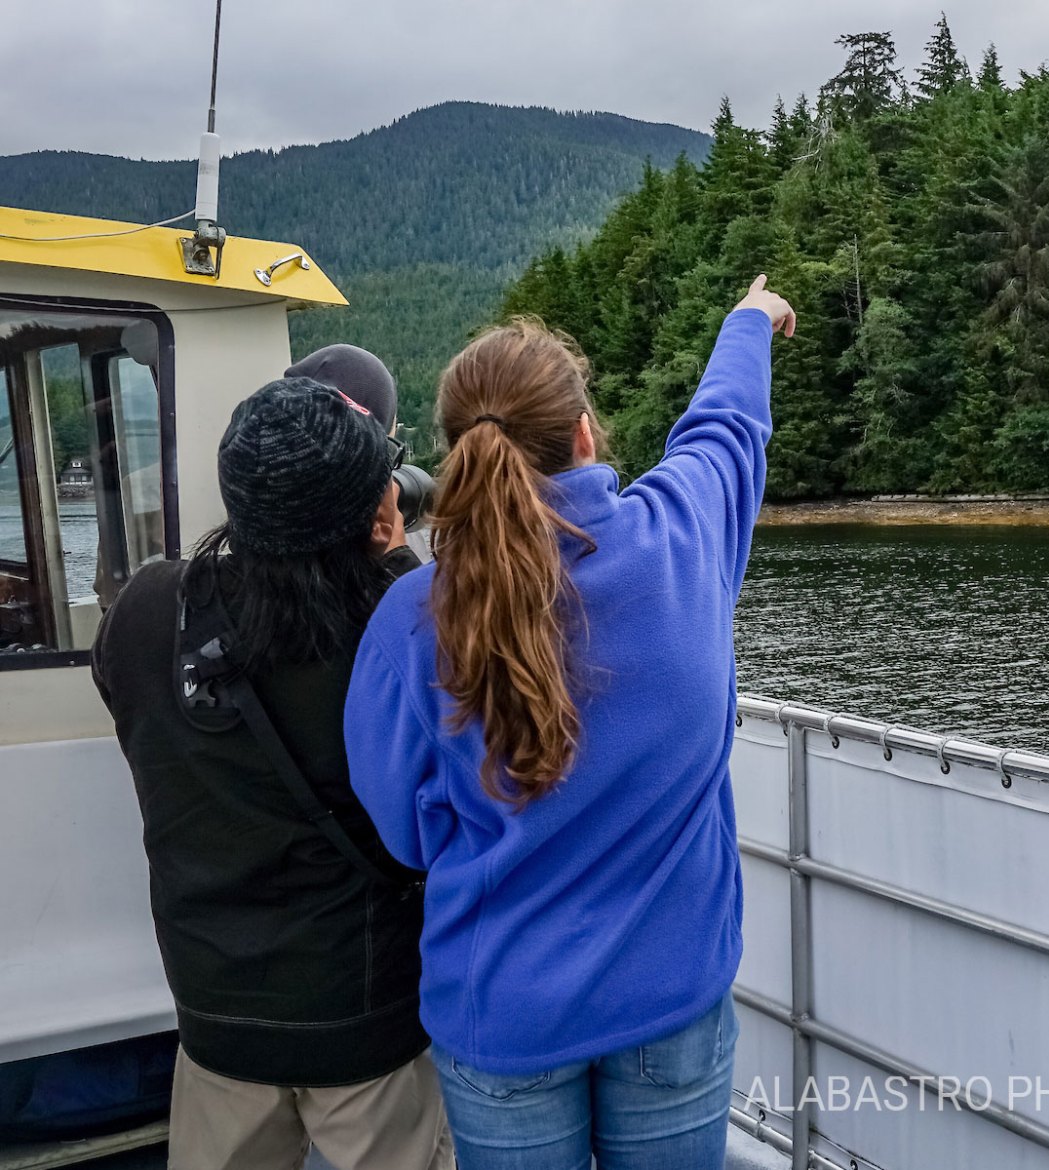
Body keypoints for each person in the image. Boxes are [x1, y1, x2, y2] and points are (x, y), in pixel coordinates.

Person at [344, 275, 796, 1169]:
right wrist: (750, 323)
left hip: (503, 1014)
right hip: (672, 1000)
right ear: (584, 434)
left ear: (456, 455)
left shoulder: (410, 621)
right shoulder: (683, 541)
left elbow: (404, 832)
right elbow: (725, 425)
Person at [91, 376, 452, 1170]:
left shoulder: (150, 613)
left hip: (216, 1010)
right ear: (370, 515)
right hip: (366, 1014)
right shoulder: (395, 627)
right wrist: (391, 557)